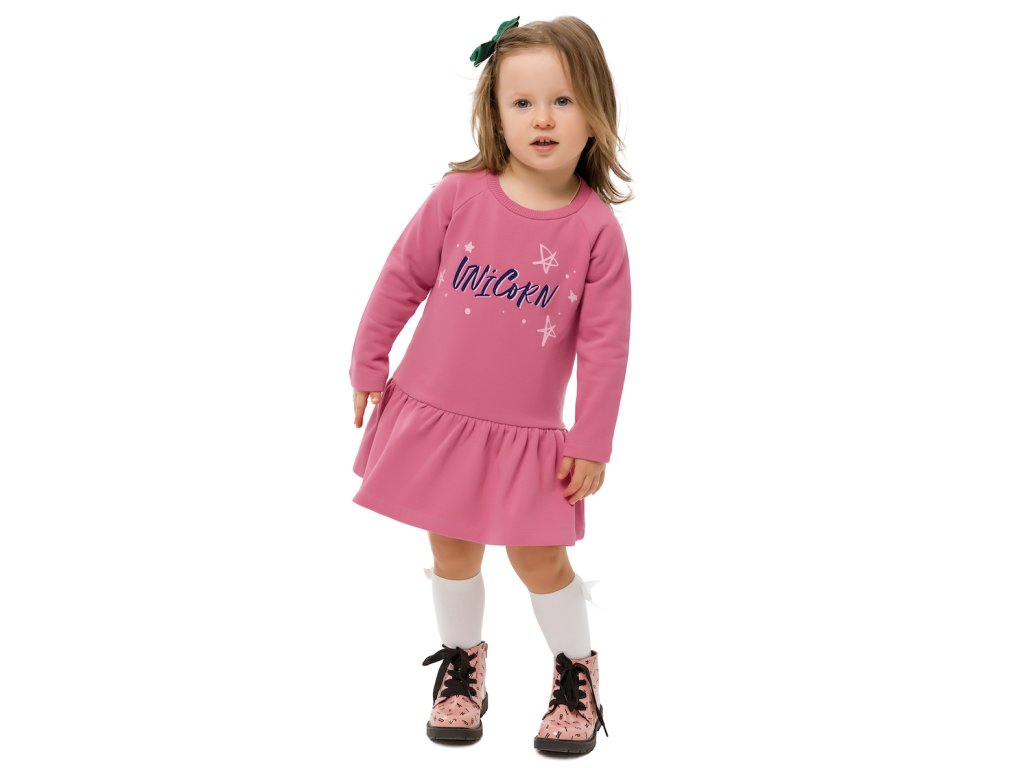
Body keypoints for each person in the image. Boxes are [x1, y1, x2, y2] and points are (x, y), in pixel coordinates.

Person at [349, 15, 631, 755]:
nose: (543, 119)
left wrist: (593, 439)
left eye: (563, 101)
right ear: (495, 113)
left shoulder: (596, 231)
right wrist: (368, 361)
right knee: (454, 551)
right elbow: (401, 277)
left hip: (527, 437)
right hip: (438, 414)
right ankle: (460, 671)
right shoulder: (461, 195)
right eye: (523, 102)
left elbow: (606, 347)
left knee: (539, 559)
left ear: (596, 110)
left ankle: (576, 673)